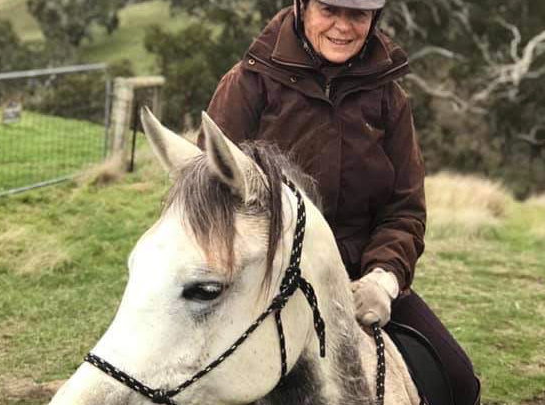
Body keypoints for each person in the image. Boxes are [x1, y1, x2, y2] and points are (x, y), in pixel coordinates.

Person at [201, 0, 481, 404]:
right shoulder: (248, 83)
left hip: (358, 276)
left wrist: (384, 277)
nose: (343, 27)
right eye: (330, 10)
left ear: (374, 18)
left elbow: (404, 209)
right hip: (264, 276)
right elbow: (211, 194)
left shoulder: (389, 99)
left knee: (458, 379)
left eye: (358, 15)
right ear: (301, 6)